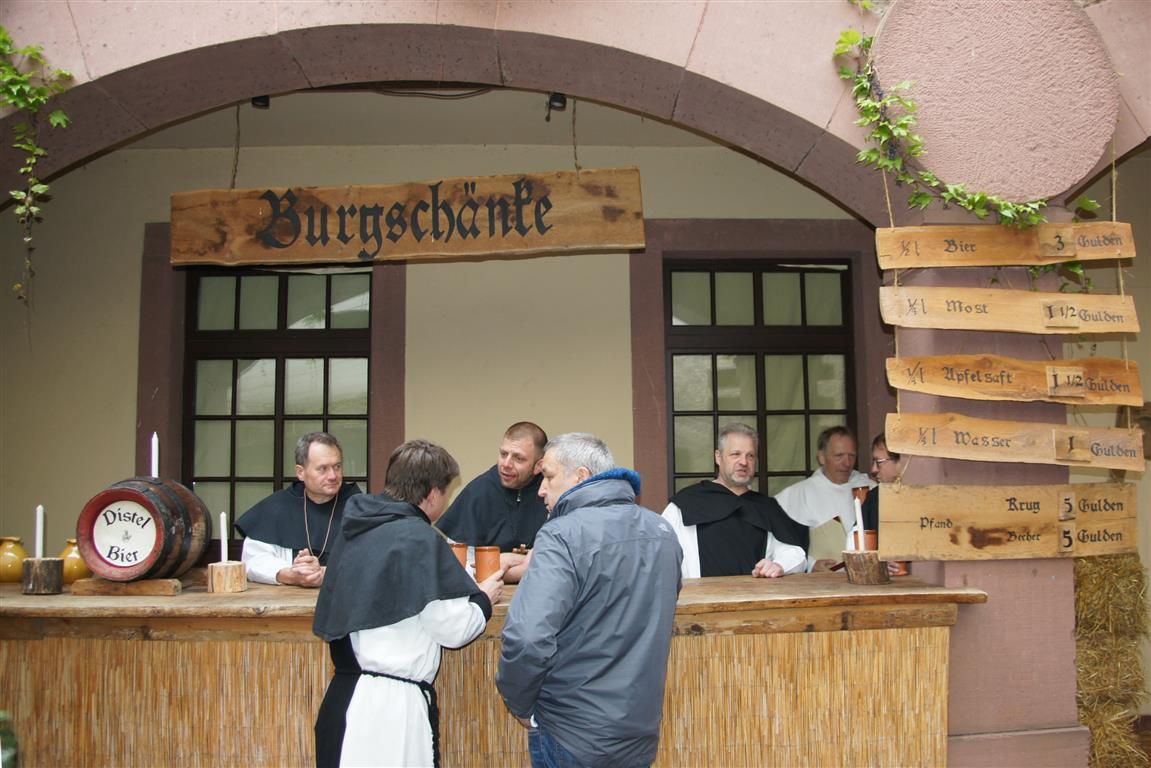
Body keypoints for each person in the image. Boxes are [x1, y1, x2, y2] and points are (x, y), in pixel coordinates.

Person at [313, 439, 504, 768]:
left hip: (343, 700)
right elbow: (453, 629)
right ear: (432, 494)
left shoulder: (355, 528)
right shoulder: (419, 538)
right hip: (390, 715)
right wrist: (483, 600)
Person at [497, 433, 682, 768]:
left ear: (580, 476)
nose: (541, 490)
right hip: (638, 730)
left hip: (570, 731)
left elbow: (527, 637)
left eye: (548, 476)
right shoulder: (663, 533)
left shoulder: (560, 535)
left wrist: (519, 703)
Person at [662, 423, 808, 578]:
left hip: (756, 593)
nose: (744, 462)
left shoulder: (766, 507)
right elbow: (660, 555)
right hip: (698, 593)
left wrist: (779, 565)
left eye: (750, 456)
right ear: (718, 457)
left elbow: (795, 554)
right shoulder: (686, 503)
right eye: (735, 454)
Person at [234, 432, 362, 587]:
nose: (333, 476)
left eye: (337, 467)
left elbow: (371, 560)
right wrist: (289, 574)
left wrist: (325, 573)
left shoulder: (361, 508)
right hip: (285, 599)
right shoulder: (277, 506)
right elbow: (254, 560)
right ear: (301, 472)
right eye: (323, 469)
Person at [435, 421, 548, 582]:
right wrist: (519, 563)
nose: (506, 464)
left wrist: (515, 564)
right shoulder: (478, 492)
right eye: (503, 454)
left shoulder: (551, 491)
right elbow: (460, 567)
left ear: (538, 466)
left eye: (518, 458)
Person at [775, 426, 875, 569]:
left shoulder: (870, 488)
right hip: (824, 579)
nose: (847, 463)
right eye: (839, 456)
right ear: (821, 457)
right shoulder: (800, 493)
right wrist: (811, 565)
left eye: (851, 456)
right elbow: (779, 545)